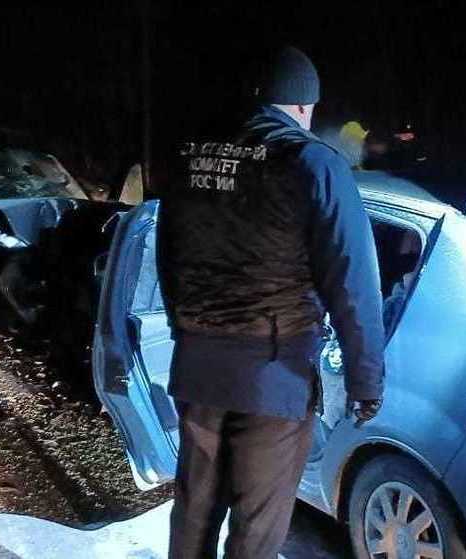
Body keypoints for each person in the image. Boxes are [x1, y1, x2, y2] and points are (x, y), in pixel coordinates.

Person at [158, 46, 385, 558]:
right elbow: (351, 281)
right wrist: (365, 378)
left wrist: (186, 329)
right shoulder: (314, 164)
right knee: (257, 523)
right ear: (305, 106)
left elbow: (168, 256)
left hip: (199, 367)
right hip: (274, 373)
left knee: (194, 507)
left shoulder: (192, 157)